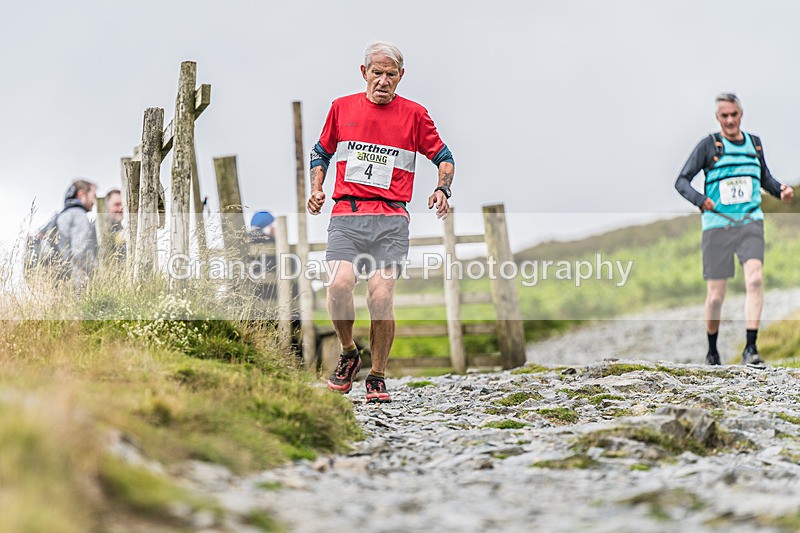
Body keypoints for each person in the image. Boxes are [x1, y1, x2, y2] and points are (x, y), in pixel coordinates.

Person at [307, 40, 455, 403]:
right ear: (364, 74)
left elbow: (444, 156)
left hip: (391, 220)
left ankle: (377, 375)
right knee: (339, 285)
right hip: (347, 213)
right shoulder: (341, 109)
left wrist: (442, 189)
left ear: (401, 77)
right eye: (377, 73)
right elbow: (321, 152)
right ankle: (348, 352)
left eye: (391, 75)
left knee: (380, 295)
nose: (383, 81)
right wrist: (316, 188)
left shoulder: (415, 115)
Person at [675, 93, 793, 366]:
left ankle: (750, 349)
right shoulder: (708, 146)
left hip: (750, 221)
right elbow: (681, 181)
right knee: (716, 296)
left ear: (741, 114)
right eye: (724, 115)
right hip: (717, 225)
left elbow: (764, 178)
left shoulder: (755, 144)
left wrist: (780, 191)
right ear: (718, 118)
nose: (729, 120)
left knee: (754, 280)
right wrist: (700, 201)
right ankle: (712, 351)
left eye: (734, 114)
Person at [55, 179, 99, 288]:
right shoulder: (79, 215)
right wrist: (99, 272)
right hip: (74, 280)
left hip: (58, 280)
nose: (94, 202)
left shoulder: (62, 215)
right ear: (82, 195)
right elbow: (80, 252)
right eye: (93, 196)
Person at [105, 188, 126, 262]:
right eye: (116, 204)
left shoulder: (123, 230)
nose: (121, 208)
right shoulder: (95, 230)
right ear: (106, 207)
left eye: (123, 205)